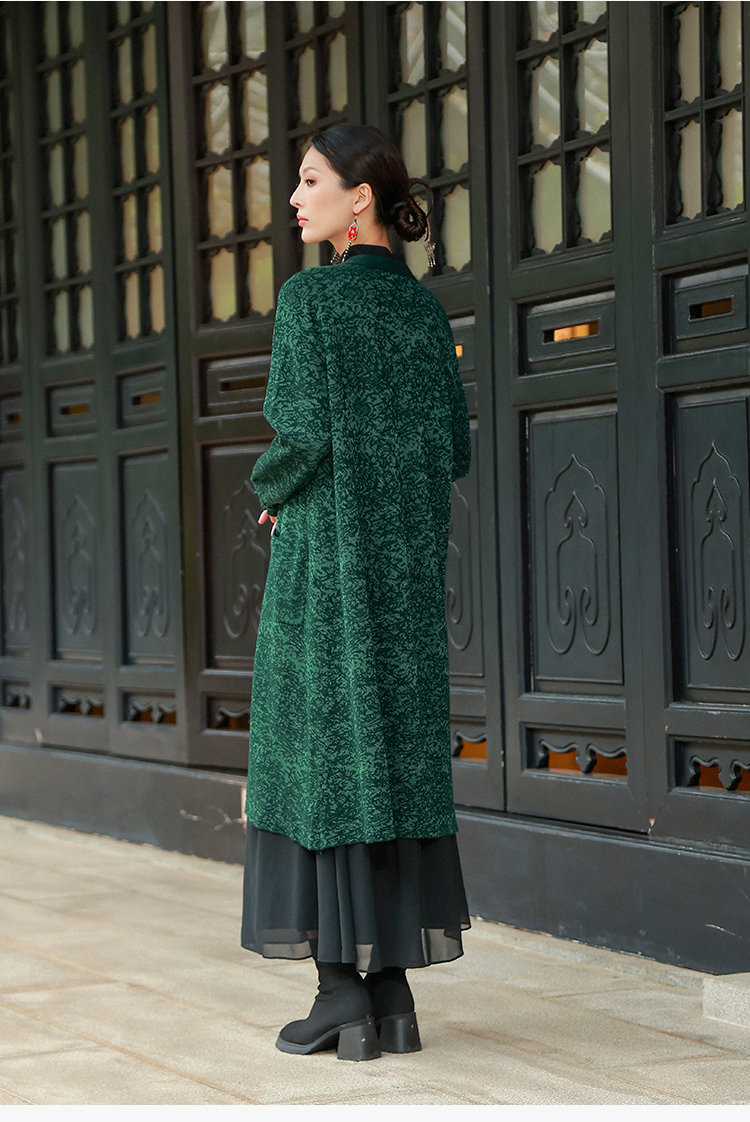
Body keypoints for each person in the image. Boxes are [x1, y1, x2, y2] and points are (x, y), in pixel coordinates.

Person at [241, 123, 472, 1062]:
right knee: (392, 761)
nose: (296, 200)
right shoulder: (422, 313)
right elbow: (453, 447)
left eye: (309, 181)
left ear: (359, 196)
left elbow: (301, 432)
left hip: (327, 565)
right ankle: (393, 997)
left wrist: (269, 492)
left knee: (318, 755)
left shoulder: (310, 300)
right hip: (405, 572)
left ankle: (340, 993)